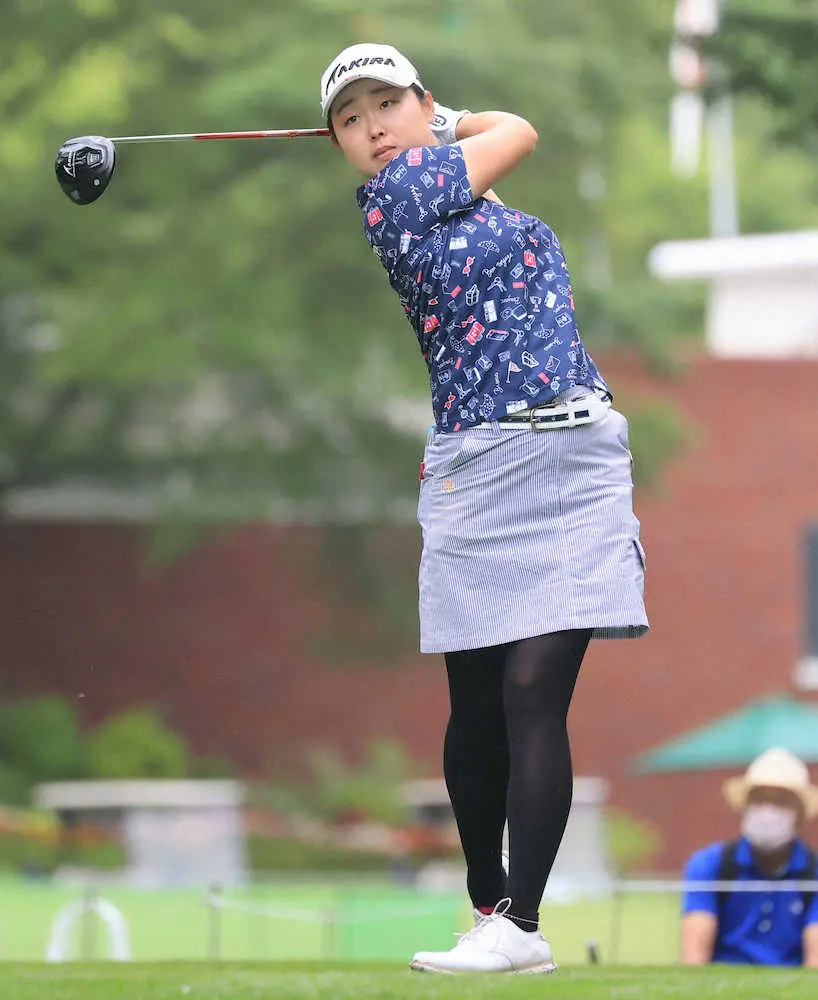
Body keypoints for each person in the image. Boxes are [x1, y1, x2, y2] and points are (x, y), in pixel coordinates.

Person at [319, 42, 649, 974]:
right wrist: (446, 121)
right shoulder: (396, 195)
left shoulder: (469, 192)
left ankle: (522, 928)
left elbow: (512, 148)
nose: (373, 127)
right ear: (339, 143)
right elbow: (523, 129)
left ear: (423, 101)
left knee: (534, 692)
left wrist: (439, 119)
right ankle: (486, 899)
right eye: (351, 117)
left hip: (579, 454)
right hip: (479, 463)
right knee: (477, 710)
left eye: (388, 103)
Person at [681, 747, 818, 968]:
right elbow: (694, 959)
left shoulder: (813, 874)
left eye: (781, 800)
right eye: (759, 799)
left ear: (800, 814)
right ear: (744, 807)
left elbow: (815, 965)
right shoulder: (711, 865)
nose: (768, 810)